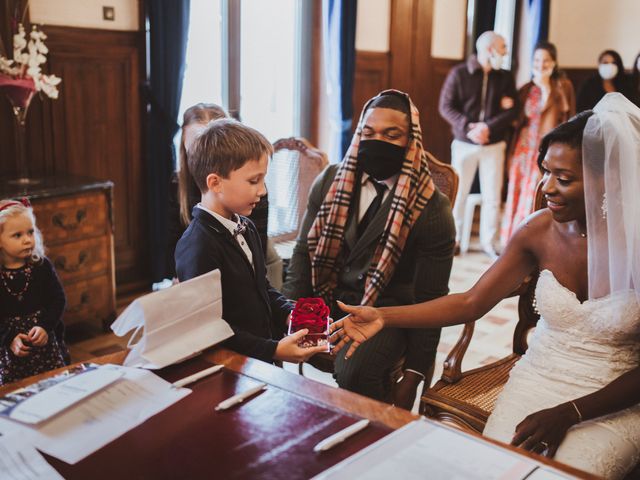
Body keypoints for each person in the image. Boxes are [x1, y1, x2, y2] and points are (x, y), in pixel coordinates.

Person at [330, 93, 640, 479]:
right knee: (494, 469)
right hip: (539, 376)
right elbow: (470, 301)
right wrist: (382, 316)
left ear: (609, 177)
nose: (546, 188)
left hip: (616, 397)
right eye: (544, 172)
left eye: (564, 179)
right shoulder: (539, 231)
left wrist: (571, 413)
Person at [283, 90, 455, 409]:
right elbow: (305, 253)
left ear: (410, 141)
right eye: (368, 132)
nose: (377, 142)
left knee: (355, 368)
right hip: (329, 298)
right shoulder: (331, 180)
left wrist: (415, 375)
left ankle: (367, 433)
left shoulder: (431, 208)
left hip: (387, 314)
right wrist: (289, 311)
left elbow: (433, 299)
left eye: (392, 135)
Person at [175, 119, 326, 364]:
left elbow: (262, 287)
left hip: (263, 355)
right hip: (231, 367)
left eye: (263, 180)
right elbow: (209, 330)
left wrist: (290, 313)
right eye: (254, 181)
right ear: (215, 183)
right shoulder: (197, 246)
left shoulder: (247, 227)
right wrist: (272, 350)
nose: (263, 190)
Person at [165, 103, 271, 279]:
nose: (203, 155)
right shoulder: (177, 183)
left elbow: (259, 262)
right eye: (194, 145)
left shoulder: (249, 219)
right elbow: (173, 243)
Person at [439, 31, 519, 259]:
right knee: (459, 192)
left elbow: (513, 109)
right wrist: (470, 127)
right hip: (465, 143)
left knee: (493, 196)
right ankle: (452, 239)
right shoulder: (459, 74)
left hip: (494, 144)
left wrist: (488, 128)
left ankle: (489, 242)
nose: (505, 53)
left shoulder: (505, 77)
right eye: (503, 48)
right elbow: (446, 106)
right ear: (490, 50)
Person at [500, 42, 575, 246]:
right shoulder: (527, 87)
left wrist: (546, 88)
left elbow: (567, 114)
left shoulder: (562, 85)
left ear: (553, 63)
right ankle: (511, 241)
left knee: (534, 193)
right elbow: (517, 119)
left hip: (545, 151)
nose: (540, 64)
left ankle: (528, 242)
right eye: (537, 60)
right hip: (523, 147)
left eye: (545, 60)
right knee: (516, 191)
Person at [0, 199, 69, 385]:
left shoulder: (41, 266)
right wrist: (9, 339)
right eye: (17, 235)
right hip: (9, 346)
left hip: (43, 341)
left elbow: (58, 299)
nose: (27, 239)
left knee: (53, 385)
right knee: (14, 391)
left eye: (30, 232)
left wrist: (46, 327)